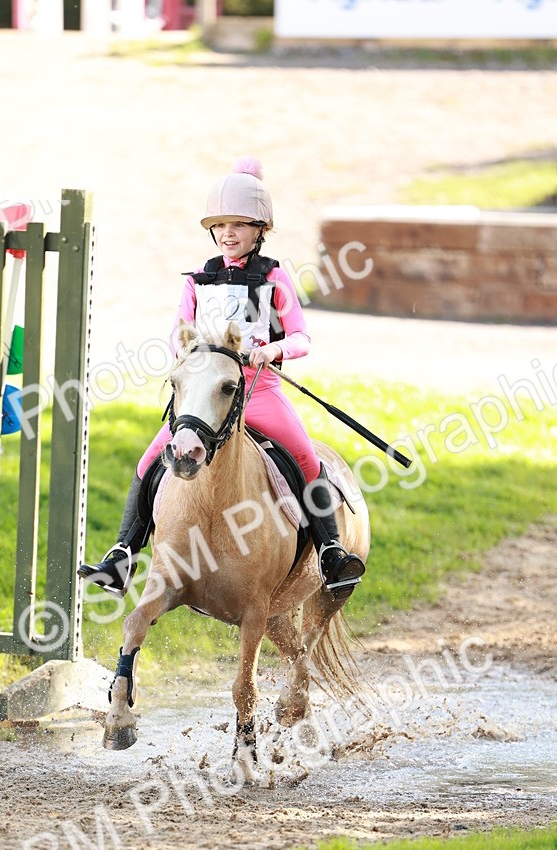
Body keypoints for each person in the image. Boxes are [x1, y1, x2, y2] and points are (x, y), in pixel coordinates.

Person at [78, 157, 366, 600]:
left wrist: (271, 350)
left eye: (238, 225)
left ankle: (329, 552)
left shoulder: (274, 277)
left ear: (260, 229)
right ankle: (122, 556)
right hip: (205, 393)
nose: (228, 234)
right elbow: (177, 331)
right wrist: (188, 354)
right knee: (149, 460)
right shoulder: (198, 280)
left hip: (258, 389)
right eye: (220, 226)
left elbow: (302, 338)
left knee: (307, 459)